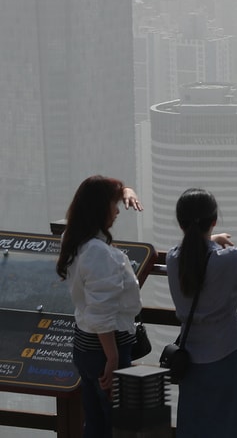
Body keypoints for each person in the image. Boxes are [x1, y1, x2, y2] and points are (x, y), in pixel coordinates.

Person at [165, 189, 237, 438]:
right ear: (213, 221)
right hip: (228, 355)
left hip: (191, 360)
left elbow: (194, 251)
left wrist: (209, 240)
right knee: (235, 425)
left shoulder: (173, 259)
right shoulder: (229, 260)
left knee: (199, 426)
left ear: (180, 223)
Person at [55, 176, 145, 438]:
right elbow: (102, 311)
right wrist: (113, 359)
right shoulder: (98, 253)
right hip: (106, 348)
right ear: (98, 208)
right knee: (120, 427)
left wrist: (126, 191)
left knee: (95, 422)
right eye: (113, 204)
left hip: (85, 346)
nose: (117, 210)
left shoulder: (73, 240)